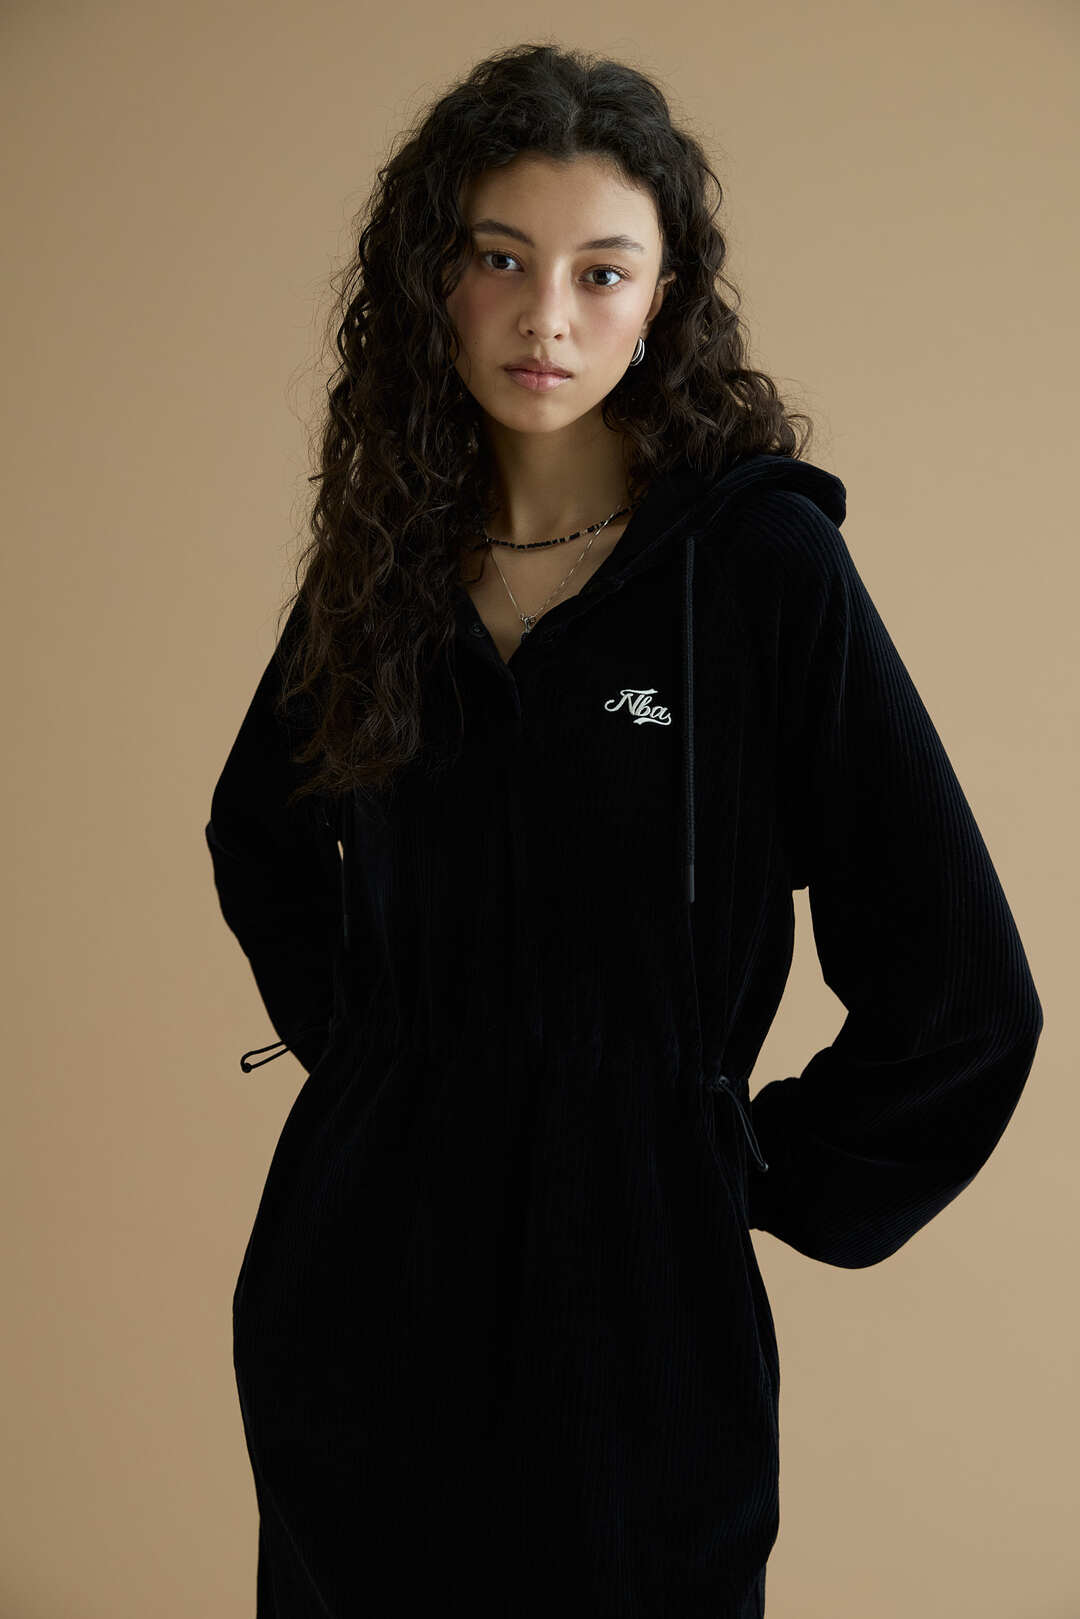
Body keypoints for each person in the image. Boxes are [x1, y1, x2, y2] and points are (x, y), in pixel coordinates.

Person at [204, 43, 1043, 1619]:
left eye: (601, 272)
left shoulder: (760, 571)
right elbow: (260, 835)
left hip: (640, 1304)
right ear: (433, 281)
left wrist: (747, 1165)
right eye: (500, 260)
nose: (547, 317)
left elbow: (962, 989)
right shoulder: (386, 566)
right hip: (362, 1281)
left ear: (661, 301)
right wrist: (379, 1064)